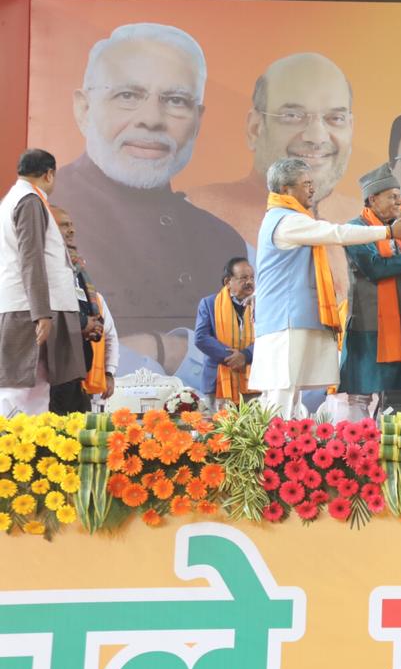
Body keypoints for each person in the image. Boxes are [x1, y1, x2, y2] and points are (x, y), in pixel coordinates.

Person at [52, 22, 247, 356]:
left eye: (175, 100)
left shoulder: (221, 241)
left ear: (197, 120)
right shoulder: (44, 213)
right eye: (127, 96)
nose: (152, 119)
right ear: (83, 109)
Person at [248, 158, 401, 418]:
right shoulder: (286, 221)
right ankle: (276, 448)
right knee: (282, 388)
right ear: (286, 189)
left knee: (290, 388)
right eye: (306, 184)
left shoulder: (288, 218)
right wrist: (388, 233)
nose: (312, 189)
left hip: (290, 317)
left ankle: (289, 443)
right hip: (284, 317)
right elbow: (338, 234)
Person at [189, 52, 358, 244]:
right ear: (255, 128)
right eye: (293, 115)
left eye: (335, 118)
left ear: (350, 129)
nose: (317, 137)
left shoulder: (371, 223)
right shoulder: (192, 215)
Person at [339, 164, 401, 417]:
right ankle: (356, 450)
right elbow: (374, 268)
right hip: (368, 325)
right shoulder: (356, 229)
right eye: (392, 196)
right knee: (360, 395)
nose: (398, 202)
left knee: (396, 397)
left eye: (398, 196)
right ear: (373, 199)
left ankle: (389, 450)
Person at [0, 150, 84, 416]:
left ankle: (30, 454)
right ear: (49, 174)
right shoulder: (29, 201)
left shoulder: (15, 199)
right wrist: (41, 313)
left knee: (38, 386)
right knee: (19, 387)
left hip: (28, 307)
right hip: (30, 310)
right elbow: (31, 259)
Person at [48, 206, 118, 412]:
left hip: (77, 376)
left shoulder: (79, 276)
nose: (72, 230)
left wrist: (109, 372)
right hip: (50, 376)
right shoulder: (42, 271)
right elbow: (49, 313)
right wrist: (83, 323)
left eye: (72, 225)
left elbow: (109, 333)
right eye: (64, 225)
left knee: (78, 437)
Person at [194, 257, 256, 409]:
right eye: (243, 278)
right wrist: (233, 357)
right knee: (218, 431)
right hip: (217, 382)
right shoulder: (209, 304)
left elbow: (269, 338)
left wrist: (245, 355)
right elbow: (201, 338)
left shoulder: (262, 305)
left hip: (253, 381)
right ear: (228, 282)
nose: (249, 282)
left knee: (255, 431)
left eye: (252, 277)